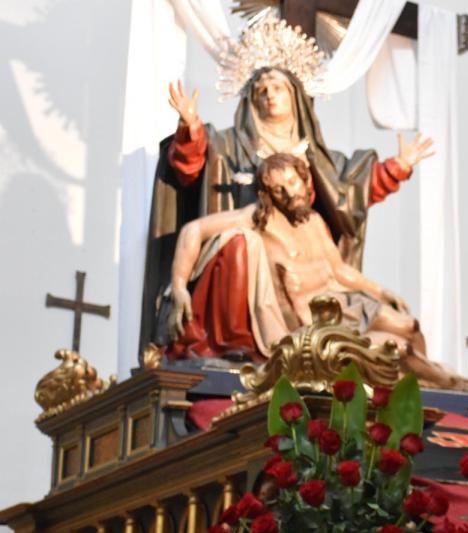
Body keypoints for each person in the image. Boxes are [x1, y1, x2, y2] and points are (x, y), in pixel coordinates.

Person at [143, 67, 433, 349]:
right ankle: (241, 337)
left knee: (401, 333)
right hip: (261, 263)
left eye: (277, 87)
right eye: (262, 90)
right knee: (245, 245)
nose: (270, 95)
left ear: (294, 96)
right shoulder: (230, 146)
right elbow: (191, 171)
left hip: (315, 270)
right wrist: (190, 127)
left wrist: (398, 167)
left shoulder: (315, 159)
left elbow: (347, 193)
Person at [166, 152, 463, 389]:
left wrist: (382, 291)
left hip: (345, 303)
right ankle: (449, 384)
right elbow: (194, 230)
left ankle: (431, 388)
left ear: (304, 179)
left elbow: (339, 271)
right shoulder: (257, 220)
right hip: (314, 321)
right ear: (267, 194)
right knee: (396, 350)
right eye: (278, 189)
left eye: (292, 183)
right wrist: (179, 286)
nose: (288, 193)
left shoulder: (313, 220)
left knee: (410, 327)